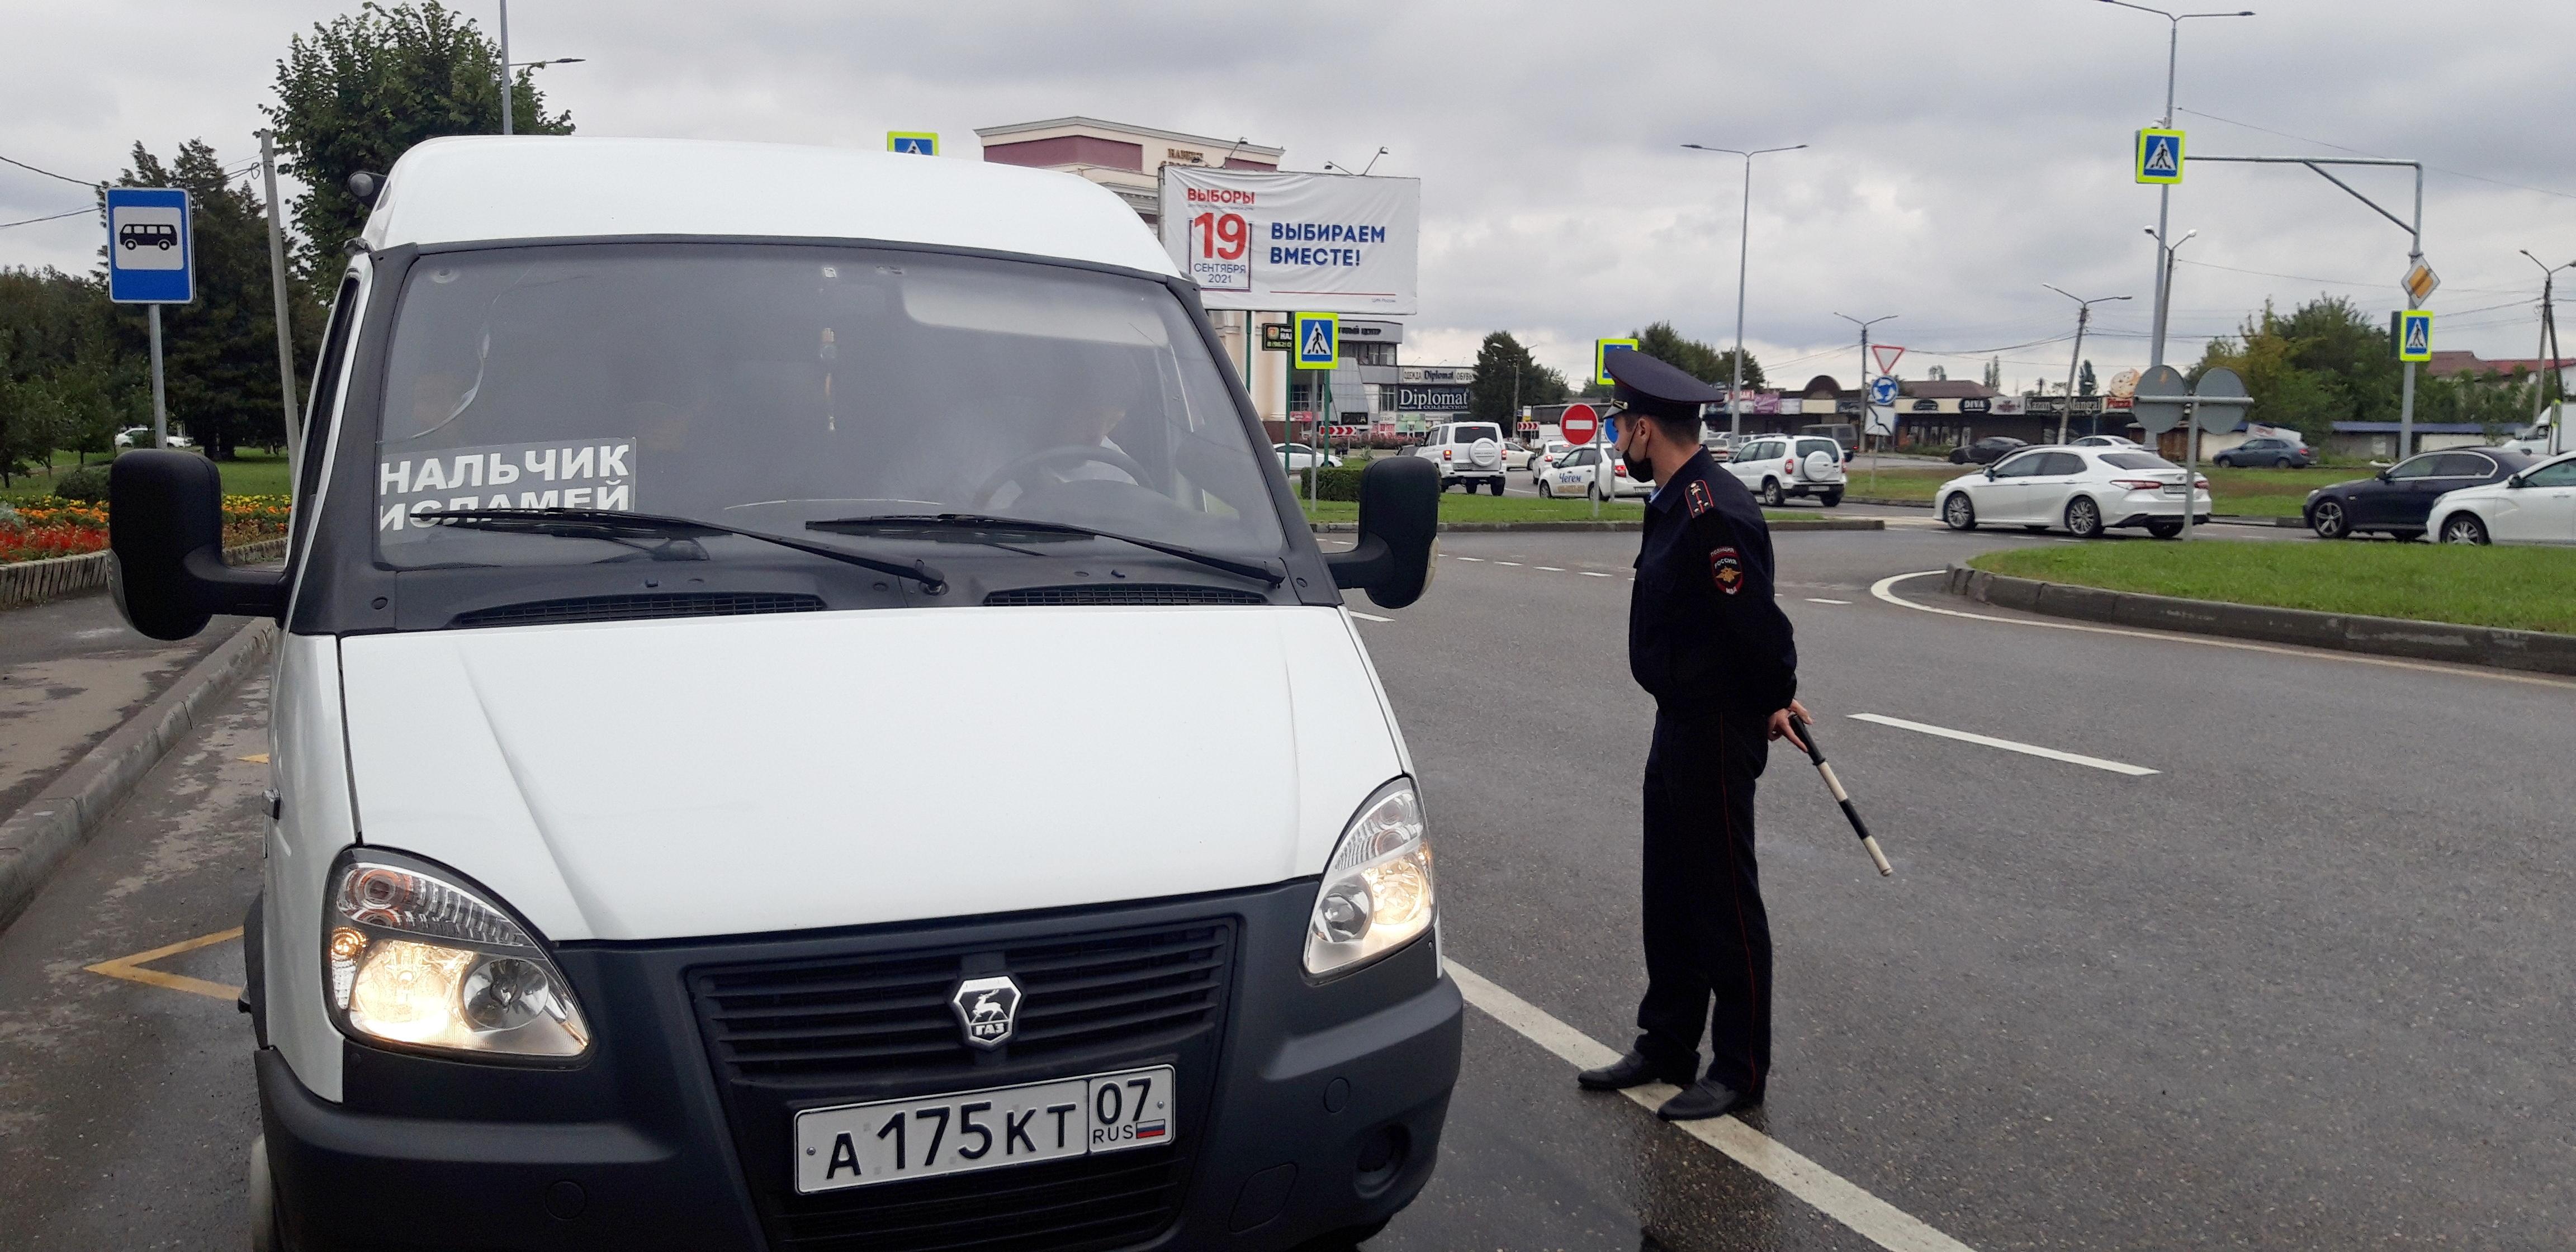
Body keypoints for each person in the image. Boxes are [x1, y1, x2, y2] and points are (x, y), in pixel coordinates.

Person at [1575, 350, 1809, 1122]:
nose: (1615, 439)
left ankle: (1740, 1067)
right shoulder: (1678, 499)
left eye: (1619, 426)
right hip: (1677, 719)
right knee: (1670, 894)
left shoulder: (1713, 511)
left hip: (1713, 726)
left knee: (1723, 902)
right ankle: (1667, 1043)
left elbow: (1758, 625)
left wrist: (1774, 698)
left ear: (1645, 429)